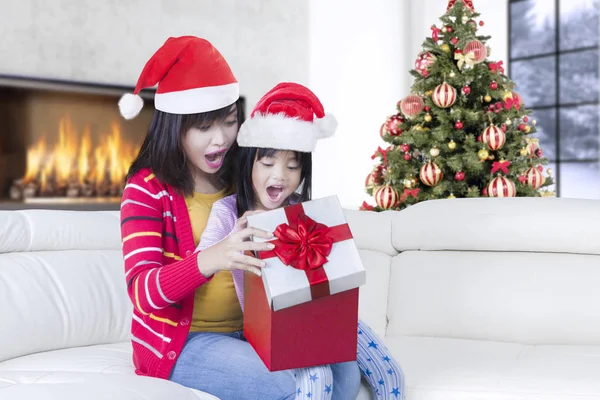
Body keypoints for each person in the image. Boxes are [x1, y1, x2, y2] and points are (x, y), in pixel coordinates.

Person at [118, 36, 357, 400]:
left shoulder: (244, 173)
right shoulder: (147, 189)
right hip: (183, 341)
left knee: (343, 369)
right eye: (203, 128)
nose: (221, 140)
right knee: (289, 383)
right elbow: (142, 293)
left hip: (259, 327)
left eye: (229, 122)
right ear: (174, 127)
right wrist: (212, 257)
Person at [197, 82, 405, 400]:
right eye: (267, 163)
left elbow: (330, 271)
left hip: (312, 315)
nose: (280, 176)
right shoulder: (228, 211)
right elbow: (201, 260)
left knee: (380, 367)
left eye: (292, 165)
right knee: (316, 375)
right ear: (248, 163)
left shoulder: (301, 209)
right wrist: (232, 241)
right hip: (262, 327)